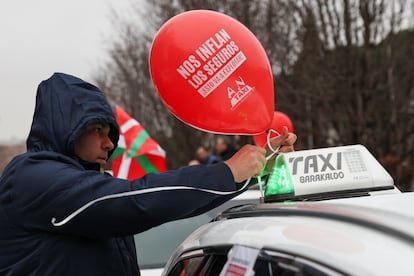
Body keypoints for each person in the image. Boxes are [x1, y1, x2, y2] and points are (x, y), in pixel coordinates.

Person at [0, 72, 296, 275]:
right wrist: (226, 171)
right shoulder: (31, 179)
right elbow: (134, 202)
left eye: (111, 133)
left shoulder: (85, 187)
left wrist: (252, 168)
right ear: (66, 130)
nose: (109, 143)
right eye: (97, 130)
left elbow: (158, 201)